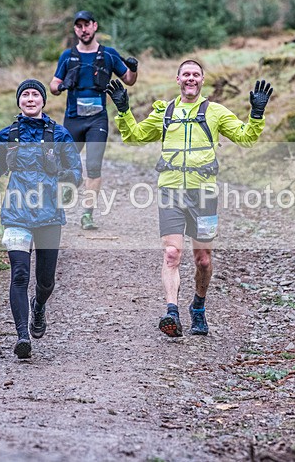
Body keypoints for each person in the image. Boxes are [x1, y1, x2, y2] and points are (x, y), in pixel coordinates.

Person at [106, 60, 273, 337]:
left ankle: (198, 306)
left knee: (203, 260)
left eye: (196, 74)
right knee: (172, 253)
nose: (191, 79)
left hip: (204, 193)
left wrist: (256, 113)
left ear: (203, 80)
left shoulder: (216, 112)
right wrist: (123, 110)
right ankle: (171, 311)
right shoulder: (165, 112)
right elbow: (134, 137)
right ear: (178, 79)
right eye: (186, 74)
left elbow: (246, 138)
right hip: (170, 190)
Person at [0, 79, 82, 359]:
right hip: (16, 213)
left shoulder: (59, 134)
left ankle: (40, 305)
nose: (30, 99)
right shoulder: (8, 134)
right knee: (19, 274)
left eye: (35, 94)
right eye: (25, 95)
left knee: (46, 281)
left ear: (43, 101)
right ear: (19, 101)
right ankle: (22, 336)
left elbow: (76, 171)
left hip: (49, 215)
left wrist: (66, 176)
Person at [50, 10, 139, 230]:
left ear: (95, 26)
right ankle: (57, 209)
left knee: (93, 165)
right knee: (64, 164)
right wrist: (62, 86)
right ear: (75, 29)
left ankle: (87, 214)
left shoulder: (108, 55)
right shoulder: (67, 56)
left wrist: (134, 67)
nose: (83, 29)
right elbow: (53, 86)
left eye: (87, 25)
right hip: (73, 119)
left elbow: (129, 79)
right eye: (79, 26)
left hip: (97, 120)